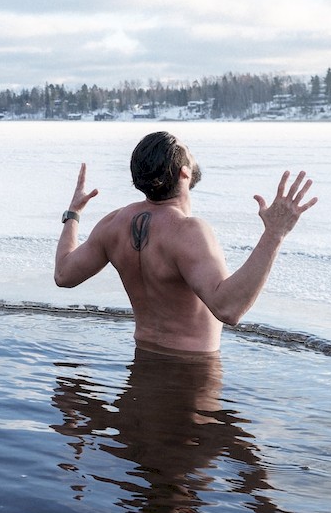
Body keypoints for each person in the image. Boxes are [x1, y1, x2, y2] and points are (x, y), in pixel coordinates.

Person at [54, 131, 316, 357]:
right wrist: (274, 234)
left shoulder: (114, 224)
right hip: (191, 373)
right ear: (185, 173)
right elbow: (229, 308)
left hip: (142, 358)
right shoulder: (188, 231)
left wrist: (73, 214)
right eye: (188, 151)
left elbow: (64, 274)